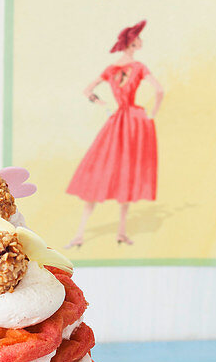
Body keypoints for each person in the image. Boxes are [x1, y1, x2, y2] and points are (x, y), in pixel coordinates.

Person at [66, 20, 163, 247]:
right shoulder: (139, 67)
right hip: (135, 123)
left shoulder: (111, 69)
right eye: (138, 36)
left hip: (118, 119)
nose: (141, 39)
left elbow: (87, 90)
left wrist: (102, 104)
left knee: (103, 169)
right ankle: (118, 232)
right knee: (126, 173)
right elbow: (159, 90)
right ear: (133, 42)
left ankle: (84, 233)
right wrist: (152, 114)